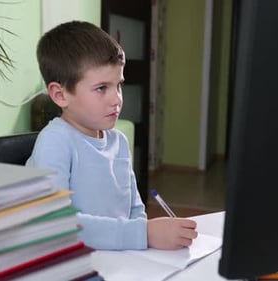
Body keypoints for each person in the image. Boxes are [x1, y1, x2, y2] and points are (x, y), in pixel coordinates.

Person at [26, 20, 197, 250]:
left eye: (119, 85)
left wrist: (144, 236)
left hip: (119, 261)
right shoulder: (55, 142)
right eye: (101, 88)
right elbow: (56, 225)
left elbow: (135, 211)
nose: (117, 99)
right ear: (60, 94)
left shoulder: (119, 142)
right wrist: (143, 235)